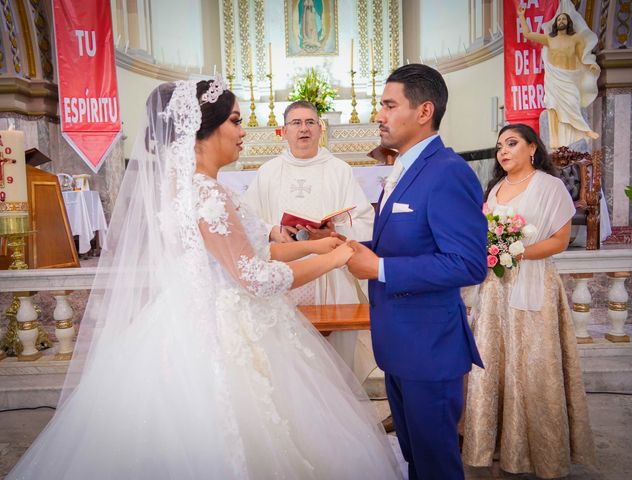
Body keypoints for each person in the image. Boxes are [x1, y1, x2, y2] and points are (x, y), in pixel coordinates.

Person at [8, 79, 401, 479]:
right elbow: (256, 278)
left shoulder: (195, 188)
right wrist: (338, 257)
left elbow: (248, 254)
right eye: (235, 120)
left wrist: (311, 248)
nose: (244, 130)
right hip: (220, 330)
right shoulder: (206, 195)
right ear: (203, 129)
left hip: (195, 312)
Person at [346, 63, 488, 480]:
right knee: (414, 458)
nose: (380, 115)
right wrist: (348, 247)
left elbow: (467, 262)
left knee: (436, 464)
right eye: (381, 106)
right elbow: (403, 243)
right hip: (399, 345)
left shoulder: (447, 171)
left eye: (390, 105)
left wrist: (380, 267)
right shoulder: (404, 168)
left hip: (430, 349)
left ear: (424, 111)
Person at [461, 124, 595, 478]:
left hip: (534, 282)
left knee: (534, 364)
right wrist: (492, 252)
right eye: (499, 146)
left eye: (512, 143)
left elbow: (559, 241)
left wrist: (516, 253)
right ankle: (495, 445)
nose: (503, 151)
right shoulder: (495, 190)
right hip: (495, 289)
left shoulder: (549, 187)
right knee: (492, 363)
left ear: (532, 148)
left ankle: (541, 453)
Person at [243, 100, 375, 379]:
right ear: (284, 131)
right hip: (284, 272)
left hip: (332, 272)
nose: (304, 129)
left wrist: (334, 230)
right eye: (296, 123)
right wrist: (272, 230)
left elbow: (365, 221)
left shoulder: (339, 169)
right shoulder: (268, 171)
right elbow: (247, 221)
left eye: (310, 122)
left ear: (320, 129)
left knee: (336, 366)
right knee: (289, 362)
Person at [518, 0, 600, 149]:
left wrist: (591, 65)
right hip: (554, 78)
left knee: (573, 102)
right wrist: (521, 16)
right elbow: (528, 34)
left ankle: (584, 131)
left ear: (568, 22)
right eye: (559, 19)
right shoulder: (550, 39)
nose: (561, 20)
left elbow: (583, 56)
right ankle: (555, 141)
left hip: (570, 77)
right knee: (553, 107)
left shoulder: (576, 38)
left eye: (564, 19)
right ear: (556, 23)